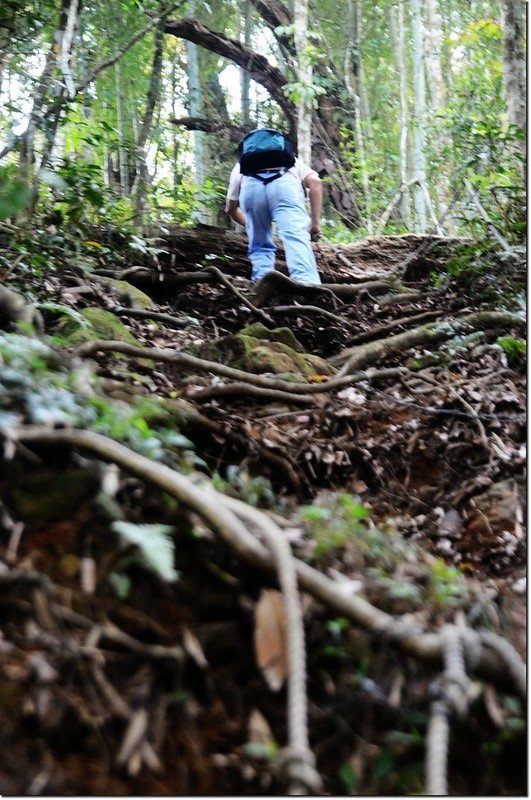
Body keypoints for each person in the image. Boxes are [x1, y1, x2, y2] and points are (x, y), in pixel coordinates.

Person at [225, 136, 323, 284]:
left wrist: (254, 226)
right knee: (295, 237)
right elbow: (315, 182)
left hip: (251, 189)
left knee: (260, 243)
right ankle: (306, 284)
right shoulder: (291, 161)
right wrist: (315, 224)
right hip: (285, 186)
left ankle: (263, 284)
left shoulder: (241, 166)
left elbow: (230, 209)